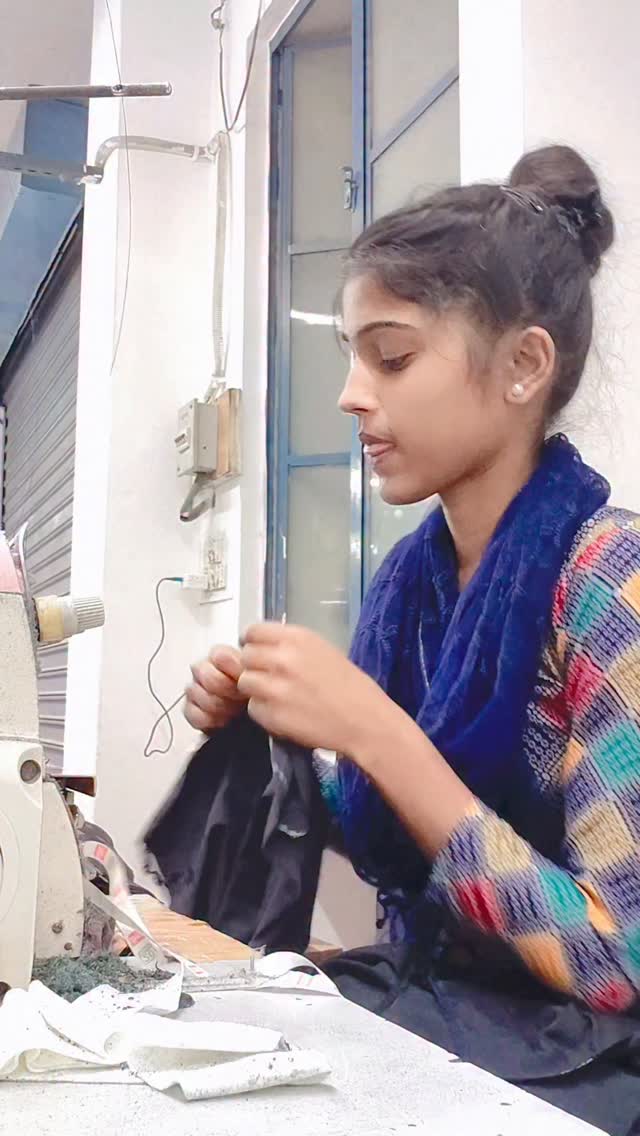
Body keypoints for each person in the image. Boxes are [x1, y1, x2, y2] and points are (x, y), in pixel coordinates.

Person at [185, 146, 640, 1134]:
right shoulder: (412, 586)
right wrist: (283, 733)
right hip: (449, 1010)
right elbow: (394, 827)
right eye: (352, 357)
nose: (352, 393)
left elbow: (617, 958)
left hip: (588, 1062)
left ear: (523, 366)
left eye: (389, 357)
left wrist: (377, 732)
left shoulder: (609, 583)